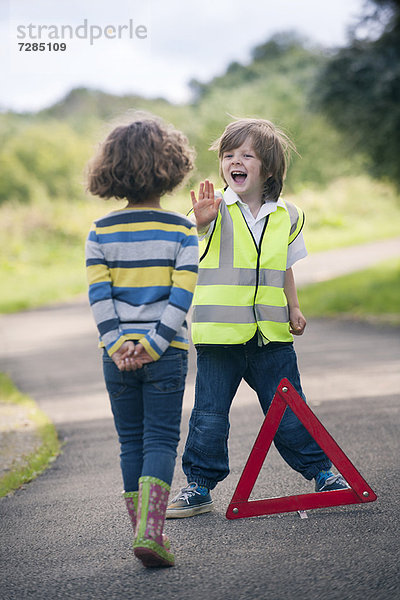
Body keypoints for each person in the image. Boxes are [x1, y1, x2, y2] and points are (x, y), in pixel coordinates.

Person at [166, 117, 348, 518]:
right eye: (229, 155)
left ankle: (322, 474)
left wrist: (295, 307)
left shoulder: (288, 215)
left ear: (268, 166)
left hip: (271, 336)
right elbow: (184, 240)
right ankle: (198, 485)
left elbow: (285, 268)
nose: (236, 161)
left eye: (246, 154)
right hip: (219, 338)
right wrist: (198, 220)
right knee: (209, 416)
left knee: (290, 410)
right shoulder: (212, 211)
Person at [85, 114, 198, 566]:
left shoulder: (101, 231)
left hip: (116, 358)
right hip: (165, 353)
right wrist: (153, 343)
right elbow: (182, 293)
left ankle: (143, 533)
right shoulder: (181, 229)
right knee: (159, 443)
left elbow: (99, 297)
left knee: (130, 442)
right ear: (170, 167)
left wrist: (117, 345)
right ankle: (152, 534)